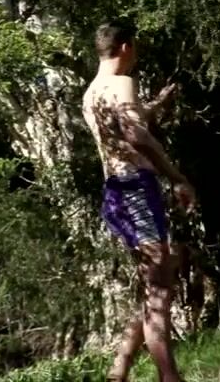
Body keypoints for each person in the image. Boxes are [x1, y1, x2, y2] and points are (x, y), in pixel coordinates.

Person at [82, 22, 196, 382]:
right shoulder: (122, 83)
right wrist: (175, 176)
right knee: (160, 288)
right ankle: (169, 377)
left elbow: (125, 121)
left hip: (117, 192)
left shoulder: (92, 93)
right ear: (126, 47)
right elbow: (134, 133)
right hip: (135, 188)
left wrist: (156, 105)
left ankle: (121, 366)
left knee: (155, 281)